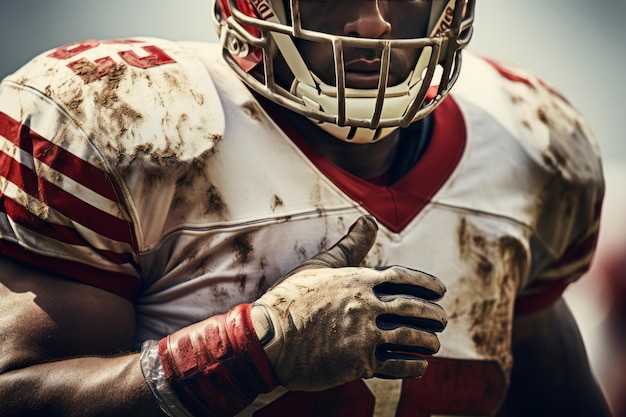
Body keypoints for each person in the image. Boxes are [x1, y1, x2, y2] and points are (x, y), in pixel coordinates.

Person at [0, 0, 611, 415]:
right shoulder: (120, 119)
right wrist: (253, 350)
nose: (373, 24)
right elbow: (18, 394)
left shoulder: (529, 143)